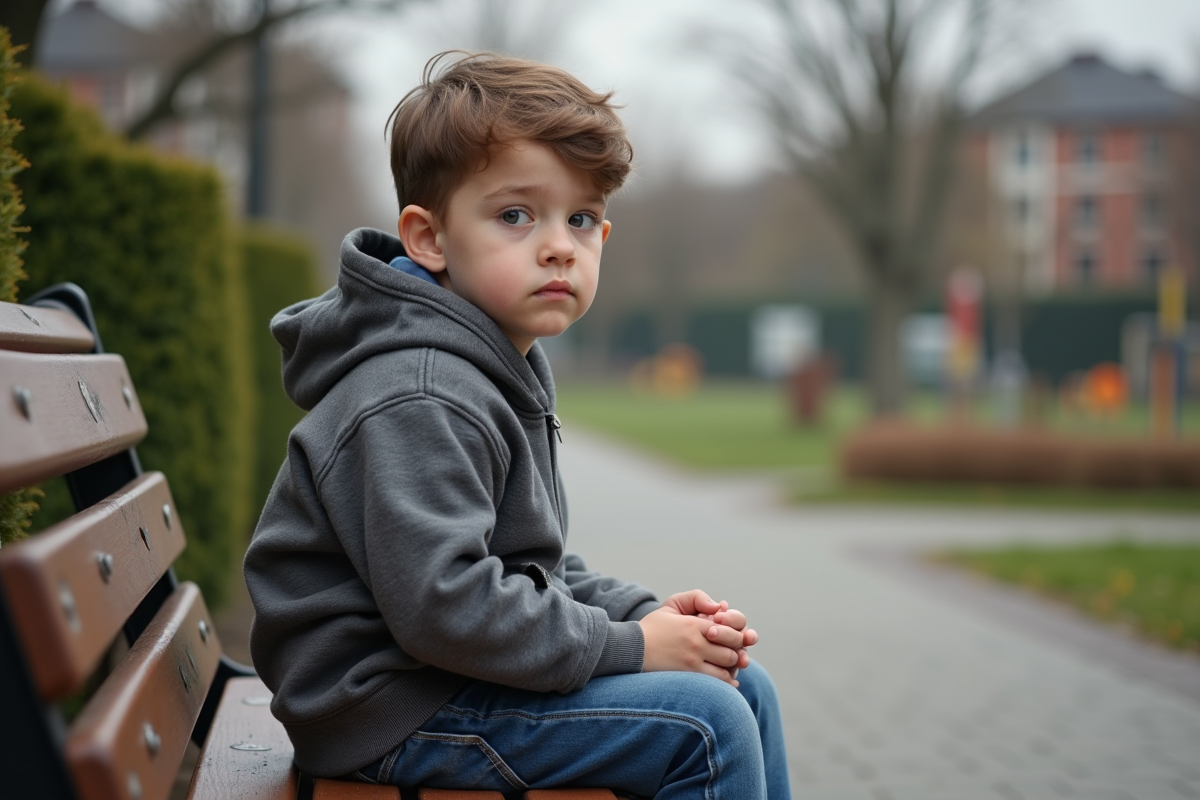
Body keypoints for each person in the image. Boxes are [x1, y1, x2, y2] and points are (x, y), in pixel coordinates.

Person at [243, 51, 790, 800]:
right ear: (429, 238)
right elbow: (447, 607)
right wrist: (633, 646)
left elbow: (528, 567)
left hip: (443, 680)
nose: (560, 244)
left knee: (744, 687)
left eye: (581, 218)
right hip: (387, 708)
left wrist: (647, 617)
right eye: (515, 215)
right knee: (706, 724)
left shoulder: (491, 363)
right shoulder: (420, 391)